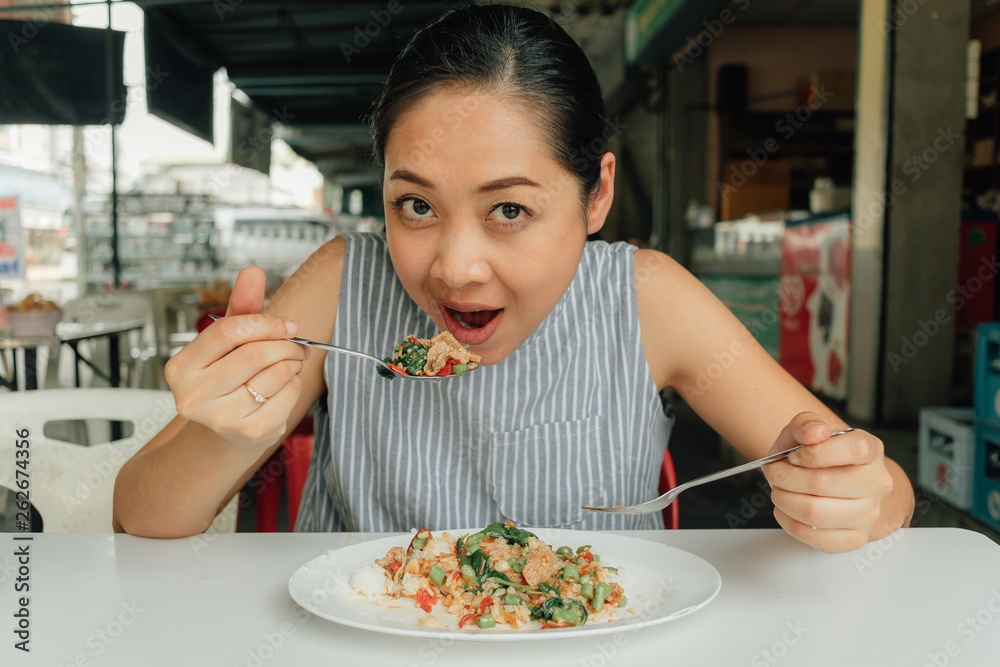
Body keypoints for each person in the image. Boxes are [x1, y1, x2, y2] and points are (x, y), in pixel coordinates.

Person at [113, 4, 913, 554]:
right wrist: (221, 434)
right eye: (416, 204)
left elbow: (885, 493)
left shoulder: (647, 298)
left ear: (596, 194)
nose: (455, 268)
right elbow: (139, 519)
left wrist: (846, 494)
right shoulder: (341, 283)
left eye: (509, 211)